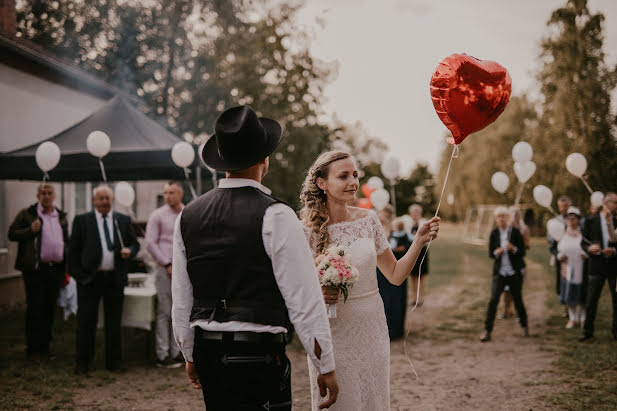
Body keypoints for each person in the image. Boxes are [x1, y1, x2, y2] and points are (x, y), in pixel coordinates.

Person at [171, 105, 338, 410]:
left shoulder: (187, 216)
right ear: (265, 159)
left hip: (208, 352)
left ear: (222, 162)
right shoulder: (276, 215)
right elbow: (304, 299)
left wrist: (189, 354)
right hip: (257, 356)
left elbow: (182, 298)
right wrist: (324, 363)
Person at [300, 151, 440, 410]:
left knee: (373, 400)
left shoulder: (368, 220)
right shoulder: (305, 230)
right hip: (332, 332)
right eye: (343, 176)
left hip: (371, 328)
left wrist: (419, 241)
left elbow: (396, 275)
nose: (353, 181)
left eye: (355, 175)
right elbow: (297, 291)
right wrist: (317, 293)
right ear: (322, 183)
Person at [69, 185, 140, 374]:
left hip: (114, 279)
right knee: (86, 322)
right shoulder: (82, 220)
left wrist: (130, 251)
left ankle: (114, 362)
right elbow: (72, 252)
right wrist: (80, 277)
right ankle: (83, 362)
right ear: (94, 201)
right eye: (100, 198)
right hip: (90, 280)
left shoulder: (122, 220)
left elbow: (135, 244)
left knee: (113, 323)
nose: (104, 202)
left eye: (107, 198)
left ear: (112, 200)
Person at [8, 183, 69, 362]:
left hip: (55, 269)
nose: (46, 196)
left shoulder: (62, 216)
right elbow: (11, 234)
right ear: (38, 195)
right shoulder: (27, 214)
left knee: (50, 309)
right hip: (35, 269)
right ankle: (33, 350)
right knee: (36, 309)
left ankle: (45, 347)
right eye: (43, 193)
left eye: (49, 193)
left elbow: (66, 240)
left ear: (54, 196)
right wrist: (30, 231)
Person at [146, 181, 184, 368]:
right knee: (164, 311)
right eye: (166, 193)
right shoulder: (157, 215)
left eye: (172, 192)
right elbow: (151, 244)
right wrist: (167, 263)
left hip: (182, 269)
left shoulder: (187, 213)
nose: (168, 196)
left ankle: (178, 352)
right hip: (164, 269)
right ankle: (162, 354)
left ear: (180, 194)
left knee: (180, 310)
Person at [480, 206, 529, 342]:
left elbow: (523, 252)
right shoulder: (494, 233)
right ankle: (487, 331)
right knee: (493, 300)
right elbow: (491, 253)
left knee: (518, 300)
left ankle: (524, 326)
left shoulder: (515, 232)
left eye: (504, 216)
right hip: (500, 273)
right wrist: (498, 251)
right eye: (499, 216)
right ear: (496, 219)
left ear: (508, 218)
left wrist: (513, 248)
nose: (501, 219)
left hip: (514, 273)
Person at [579, 192, 617, 342]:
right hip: (596, 266)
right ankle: (587, 332)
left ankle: (616, 332)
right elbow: (583, 242)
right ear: (606, 203)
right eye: (615, 202)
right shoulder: (590, 221)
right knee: (591, 300)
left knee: (616, 300)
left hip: (614, 266)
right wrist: (589, 249)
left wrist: (614, 251)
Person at [376, 206, 409, 339]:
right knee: (383, 298)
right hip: (380, 269)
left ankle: (395, 329)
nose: (380, 215)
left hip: (394, 266)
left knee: (395, 298)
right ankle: (384, 328)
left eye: (383, 213)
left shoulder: (395, 227)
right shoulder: (375, 227)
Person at [557, 207, 587, 328]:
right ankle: (573, 318)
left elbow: (588, 247)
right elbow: (558, 249)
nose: (571, 220)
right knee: (570, 294)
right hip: (568, 268)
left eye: (573, 218)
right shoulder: (563, 233)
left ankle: (583, 318)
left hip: (582, 267)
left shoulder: (584, 232)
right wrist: (560, 256)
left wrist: (585, 254)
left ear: (578, 219)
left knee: (583, 295)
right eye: (568, 218)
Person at [501, 206, 530, 319]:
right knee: (505, 290)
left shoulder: (523, 229)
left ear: (518, 216)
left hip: (518, 262)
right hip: (505, 262)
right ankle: (507, 311)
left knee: (516, 289)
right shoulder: (505, 228)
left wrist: (516, 243)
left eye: (515, 214)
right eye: (511, 214)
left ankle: (518, 311)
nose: (513, 217)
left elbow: (527, 246)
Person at [549, 196, 571, 317]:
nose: (563, 208)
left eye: (565, 206)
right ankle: (566, 308)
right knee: (561, 282)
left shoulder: (577, 218)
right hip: (561, 257)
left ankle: (572, 308)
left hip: (574, 256)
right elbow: (551, 240)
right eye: (561, 206)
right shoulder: (555, 221)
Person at [408, 204, 429, 306]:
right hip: (412, 252)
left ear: (420, 214)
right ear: (410, 214)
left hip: (422, 251)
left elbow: (427, 241)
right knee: (413, 276)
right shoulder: (408, 224)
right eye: (413, 213)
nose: (415, 215)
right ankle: (413, 297)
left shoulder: (424, 223)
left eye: (417, 213)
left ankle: (421, 298)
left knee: (421, 276)